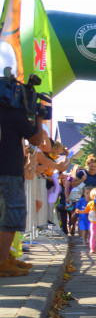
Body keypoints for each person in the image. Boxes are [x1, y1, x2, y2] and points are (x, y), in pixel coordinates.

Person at [0, 101, 44, 276]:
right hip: (8, 174)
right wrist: (39, 118)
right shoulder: (12, 112)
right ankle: (2, 261)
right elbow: (36, 139)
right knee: (10, 218)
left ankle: (6, 257)